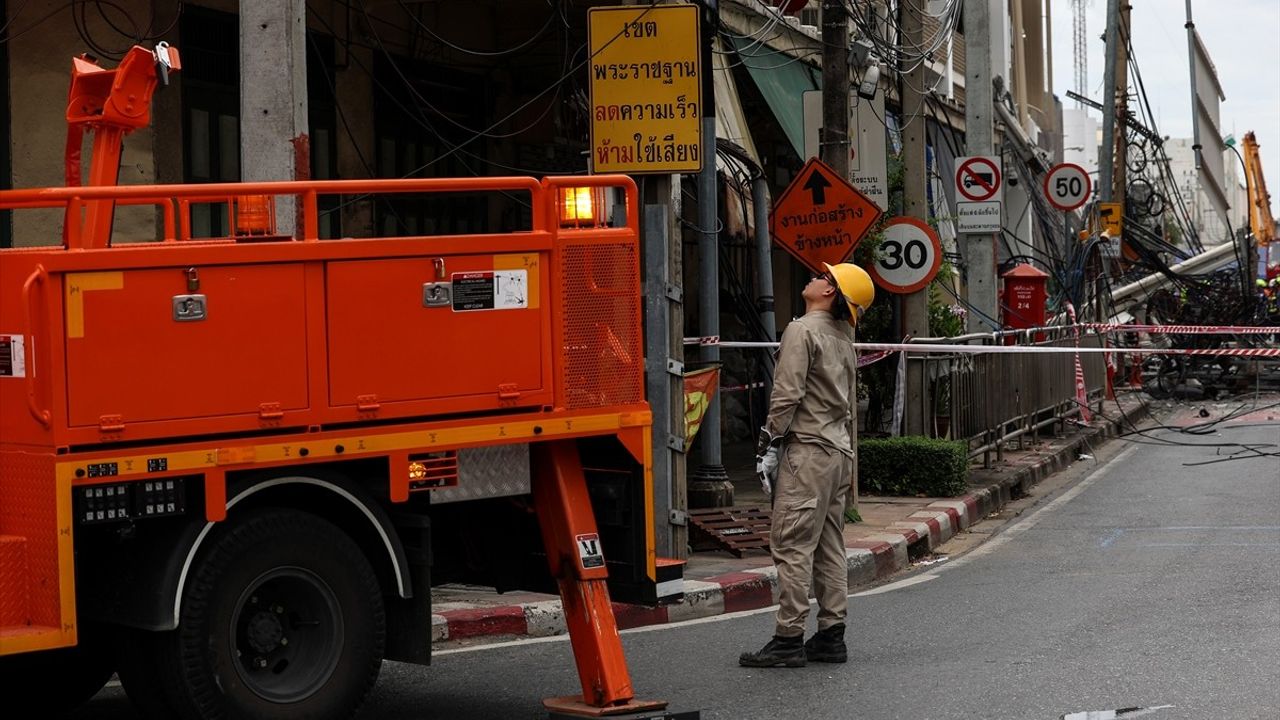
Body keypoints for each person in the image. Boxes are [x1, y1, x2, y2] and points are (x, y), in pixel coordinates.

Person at [739, 262, 875, 669]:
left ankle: (788, 637)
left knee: (792, 544)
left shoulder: (801, 330)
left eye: (823, 277)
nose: (814, 278)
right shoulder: (843, 335)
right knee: (830, 546)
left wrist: (768, 443)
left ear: (830, 292)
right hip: (837, 452)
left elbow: (786, 396)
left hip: (809, 452)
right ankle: (832, 636)